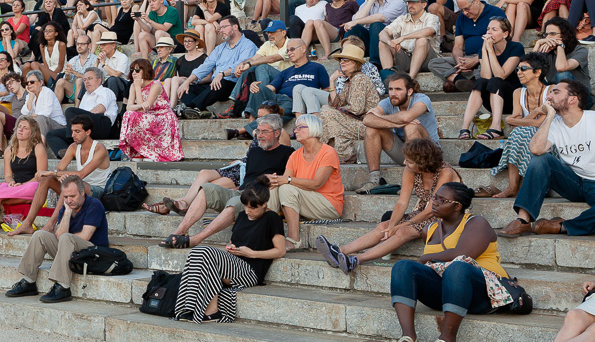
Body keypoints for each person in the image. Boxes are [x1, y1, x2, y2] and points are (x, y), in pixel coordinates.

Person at [386, 183, 513, 342]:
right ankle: (408, 337)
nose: (435, 203)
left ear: (457, 206)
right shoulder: (428, 229)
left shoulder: (477, 223)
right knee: (402, 267)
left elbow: (463, 254)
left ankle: (448, 340)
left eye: (441, 200)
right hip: (449, 292)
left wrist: (424, 259)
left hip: (485, 293)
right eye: (434, 198)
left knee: (458, 267)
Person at [499, 80, 595, 239]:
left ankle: (562, 226)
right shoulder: (554, 124)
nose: (548, 96)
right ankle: (523, 219)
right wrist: (549, 117)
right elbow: (536, 149)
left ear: (573, 99)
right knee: (541, 159)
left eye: (555, 92)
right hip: (573, 182)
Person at [147, 114, 293, 248]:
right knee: (206, 189)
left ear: (277, 133)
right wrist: (234, 190)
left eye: (264, 132)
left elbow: (287, 182)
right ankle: (179, 231)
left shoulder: (288, 154)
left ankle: (196, 239)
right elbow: (248, 178)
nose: (259, 136)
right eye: (258, 131)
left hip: (256, 199)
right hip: (241, 192)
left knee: (235, 203)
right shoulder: (255, 151)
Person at [316, 138, 459, 274]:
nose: (404, 163)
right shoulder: (410, 170)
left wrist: (398, 228)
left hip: (444, 216)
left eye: (409, 161)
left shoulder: (445, 172)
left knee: (402, 232)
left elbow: (431, 210)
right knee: (383, 226)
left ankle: (355, 260)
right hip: (422, 213)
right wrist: (391, 226)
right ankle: (339, 250)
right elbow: (402, 202)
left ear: (422, 162)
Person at [172, 181, 287, 323]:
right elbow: (235, 241)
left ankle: (212, 311)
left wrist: (252, 253)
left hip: (250, 271)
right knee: (198, 251)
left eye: (252, 208)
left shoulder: (272, 218)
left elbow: (280, 251)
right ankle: (187, 308)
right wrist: (231, 247)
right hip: (234, 264)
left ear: (264, 204)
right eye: (245, 206)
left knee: (206, 252)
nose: (247, 211)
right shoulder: (242, 216)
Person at [5, 176, 109, 303]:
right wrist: (67, 213)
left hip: (92, 255)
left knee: (66, 237)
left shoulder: (94, 205)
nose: (69, 200)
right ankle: (29, 281)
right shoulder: (67, 207)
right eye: (65, 197)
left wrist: (66, 236)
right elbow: (59, 236)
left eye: (72, 196)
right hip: (71, 252)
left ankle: (63, 287)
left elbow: (85, 236)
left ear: (82, 193)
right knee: (40, 235)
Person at [9, 118, 111, 235]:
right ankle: (27, 224)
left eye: (77, 131)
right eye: (72, 131)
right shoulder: (73, 147)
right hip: (80, 188)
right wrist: (58, 176)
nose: (73, 135)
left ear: (88, 132)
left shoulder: (99, 149)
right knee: (46, 179)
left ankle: (51, 225)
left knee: (71, 184)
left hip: (97, 190)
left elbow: (81, 174)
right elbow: (59, 169)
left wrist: (54, 173)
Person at [475, 52, 551, 199]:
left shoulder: (550, 90)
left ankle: (523, 186)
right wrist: (535, 112)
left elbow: (539, 123)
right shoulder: (518, 92)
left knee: (521, 132)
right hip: (526, 136)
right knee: (520, 133)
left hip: (549, 137)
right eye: (517, 69)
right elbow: (510, 120)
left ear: (538, 72)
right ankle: (513, 187)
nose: (519, 72)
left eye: (523, 69)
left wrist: (520, 121)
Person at [265, 115, 343, 248]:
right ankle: (265, 234)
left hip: (328, 204)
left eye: (300, 128)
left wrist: (287, 180)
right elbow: (284, 181)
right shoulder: (295, 155)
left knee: (286, 187)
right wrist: (273, 180)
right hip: (307, 201)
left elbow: (316, 183)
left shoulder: (328, 152)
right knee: (274, 187)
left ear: (313, 129)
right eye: (295, 128)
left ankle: (294, 240)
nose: (295, 131)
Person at [358, 73, 439, 192]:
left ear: (410, 91)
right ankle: (374, 181)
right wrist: (395, 123)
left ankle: (417, 182)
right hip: (405, 151)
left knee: (411, 126)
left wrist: (381, 116)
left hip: (429, 152)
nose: (393, 93)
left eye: (398, 89)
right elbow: (367, 120)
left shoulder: (422, 99)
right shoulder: (388, 102)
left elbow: (407, 117)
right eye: (390, 89)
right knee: (372, 128)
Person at [174, 16, 258, 118]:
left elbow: (240, 65)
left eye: (224, 27)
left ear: (235, 27)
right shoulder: (220, 48)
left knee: (221, 82)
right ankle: (203, 112)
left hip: (233, 84)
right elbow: (206, 65)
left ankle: (190, 107)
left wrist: (222, 74)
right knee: (187, 89)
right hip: (215, 85)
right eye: (220, 28)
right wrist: (188, 81)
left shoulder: (248, 46)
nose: (221, 30)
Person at [234, 38, 329, 126]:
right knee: (258, 88)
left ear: (303, 48)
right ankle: (251, 122)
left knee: (277, 114)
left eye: (292, 49)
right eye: (288, 51)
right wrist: (255, 86)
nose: (289, 53)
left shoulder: (317, 68)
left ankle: (245, 130)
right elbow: (271, 88)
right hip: (278, 98)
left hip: (295, 101)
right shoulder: (286, 71)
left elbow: (325, 91)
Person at [312, 45, 382, 163]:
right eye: (341, 60)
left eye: (346, 60)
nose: (342, 62)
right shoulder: (350, 81)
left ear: (355, 63)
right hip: (355, 122)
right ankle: (343, 155)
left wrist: (334, 111)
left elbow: (356, 109)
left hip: (366, 125)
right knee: (329, 118)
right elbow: (335, 104)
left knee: (326, 112)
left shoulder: (359, 79)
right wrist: (331, 82)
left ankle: (317, 152)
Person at [456, 17, 524, 140]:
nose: (489, 33)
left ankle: (496, 127)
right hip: (493, 100)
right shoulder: (486, 49)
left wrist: (490, 51)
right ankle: (464, 127)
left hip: (512, 98)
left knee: (496, 81)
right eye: (488, 29)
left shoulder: (516, 48)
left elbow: (501, 75)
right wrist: (484, 49)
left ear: (505, 34)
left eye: (494, 29)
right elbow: (486, 76)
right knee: (481, 81)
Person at [426, 0, 505, 91]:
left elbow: (501, 42)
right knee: (434, 63)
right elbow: (458, 45)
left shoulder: (495, 12)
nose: (465, 13)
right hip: (467, 57)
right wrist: (459, 60)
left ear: (476, 1)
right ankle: (461, 80)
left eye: (467, 9)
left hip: (488, 55)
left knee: (489, 62)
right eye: (462, 10)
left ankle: (467, 82)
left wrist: (476, 59)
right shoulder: (461, 18)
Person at [118, 59, 184, 162]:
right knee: (128, 114)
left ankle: (150, 152)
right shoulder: (133, 85)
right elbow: (129, 107)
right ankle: (142, 150)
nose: (134, 73)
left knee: (139, 116)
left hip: (163, 119)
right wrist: (138, 99)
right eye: (132, 70)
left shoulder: (155, 85)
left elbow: (144, 110)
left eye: (137, 70)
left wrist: (138, 88)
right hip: (148, 117)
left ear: (145, 70)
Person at [46, 67, 118, 155]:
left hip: (102, 124)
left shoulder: (105, 91)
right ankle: (69, 154)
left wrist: (80, 119)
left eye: (90, 78)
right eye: (84, 80)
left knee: (70, 110)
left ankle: (73, 140)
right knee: (51, 135)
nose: (86, 82)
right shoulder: (85, 96)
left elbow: (100, 109)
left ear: (99, 80)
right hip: (85, 126)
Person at [342, 0, 406, 65]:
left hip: (389, 43)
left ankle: (375, 63)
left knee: (376, 24)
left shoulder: (397, 1)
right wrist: (371, 1)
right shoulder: (370, 0)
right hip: (370, 42)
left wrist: (356, 21)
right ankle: (346, 58)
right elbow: (355, 19)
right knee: (354, 28)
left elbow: (381, 17)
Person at [376, 0, 439, 78]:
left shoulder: (431, 17)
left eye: (414, 3)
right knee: (383, 43)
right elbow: (382, 33)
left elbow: (429, 31)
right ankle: (389, 78)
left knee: (422, 40)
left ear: (424, 4)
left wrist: (403, 38)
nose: (410, 5)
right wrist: (390, 42)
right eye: (409, 3)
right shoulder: (402, 18)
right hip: (406, 58)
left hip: (428, 60)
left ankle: (410, 79)